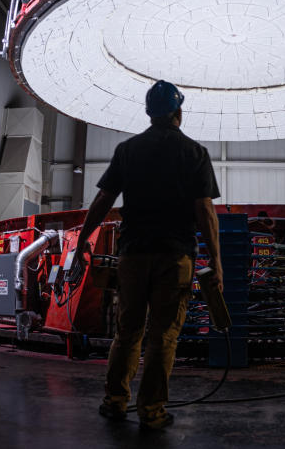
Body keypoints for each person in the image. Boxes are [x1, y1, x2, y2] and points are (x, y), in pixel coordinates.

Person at [74, 80, 222, 430]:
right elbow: (204, 210)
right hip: (175, 257)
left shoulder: (128, 150)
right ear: (178, 113)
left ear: (148, 112)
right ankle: (151, 410)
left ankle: (114, 401)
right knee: (163, 336)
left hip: (133, 254)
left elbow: (103, 200)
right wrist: (216, 260)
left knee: (127, 332)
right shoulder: (194, 153)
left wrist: (83, 239)